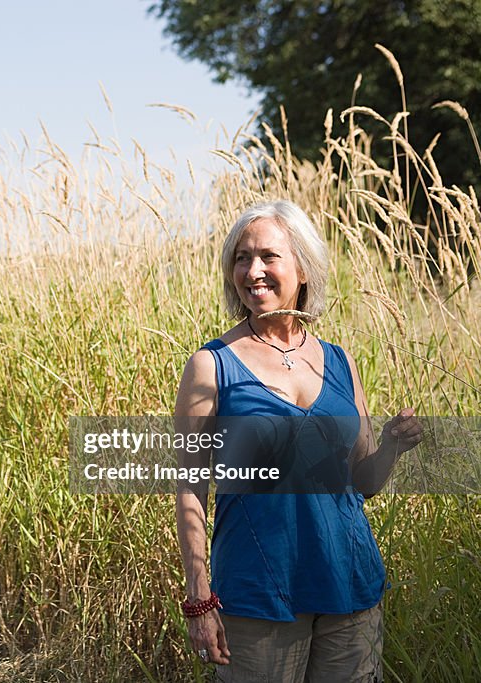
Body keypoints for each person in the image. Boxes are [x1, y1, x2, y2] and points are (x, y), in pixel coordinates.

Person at [173, 200, 423, 681]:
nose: (253, 271)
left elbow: (360, 482)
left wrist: (391, 446)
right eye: (242, 258)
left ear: (303, 269)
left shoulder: (340, 361)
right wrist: (200, 597)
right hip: (258, 598)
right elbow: (190, 489)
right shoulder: (212, 365)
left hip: (350, 589)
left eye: (269, 256)